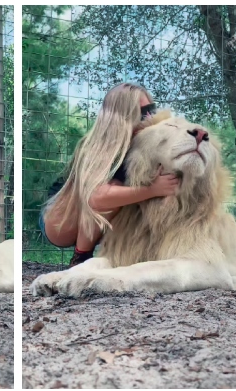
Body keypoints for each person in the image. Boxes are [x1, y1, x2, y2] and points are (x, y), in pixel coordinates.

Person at [39, 82, 180, 268]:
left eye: (151, 110)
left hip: (94, 220)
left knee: (128, 192)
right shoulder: (94, 147)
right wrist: (152, 189)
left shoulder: (143, 146)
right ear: (124, 116)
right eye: (142, 112)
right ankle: (80, 259)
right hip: (59, 221)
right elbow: (95, 199)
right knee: (111, 189)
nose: (149, 117)